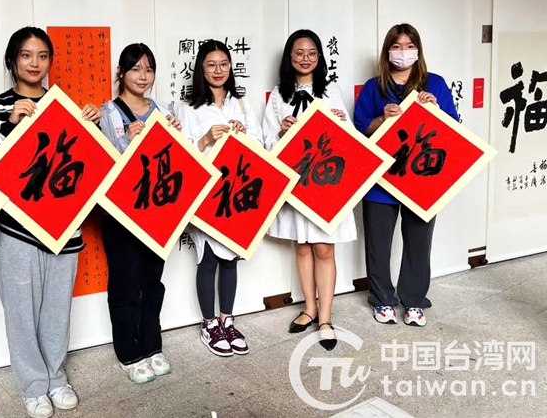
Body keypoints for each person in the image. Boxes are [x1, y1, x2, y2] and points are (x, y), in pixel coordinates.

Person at [0, 26, 101, 418]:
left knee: (57, 311)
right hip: (17, 232)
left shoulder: (64, 107)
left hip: (65, 230)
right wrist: (11, 126)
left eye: (42, 55)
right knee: (22, 314)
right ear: (13, 60)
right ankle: (33, 386)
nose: (34, 63)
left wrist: (92, 131)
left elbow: (87, 170)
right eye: (26, 55)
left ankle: (56, 378)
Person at [354, 23, 458, 327]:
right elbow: (359, 129)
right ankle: (381, 299)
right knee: (378, 245)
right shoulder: (373, 87)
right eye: (397, 46)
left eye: (410, 46)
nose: (403, 52)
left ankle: (414, 300)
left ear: (418, 50)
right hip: (381, 180)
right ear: (387, 51)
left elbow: (453, 129)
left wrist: (435, 109)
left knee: (418, 243)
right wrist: (381, 119)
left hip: (422, 179)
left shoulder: (434, 83)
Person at [262, 30, 356, 350]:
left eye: (312, 52)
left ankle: (326, 317)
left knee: (324, 249)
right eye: (299, 53)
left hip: (325, 184)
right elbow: (267, 142)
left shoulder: (331, 91)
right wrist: (281, 131)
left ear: (319, 57)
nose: (305, 58)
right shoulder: (279, 96)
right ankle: (309, 309)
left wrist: (341, 123)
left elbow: (350, 139)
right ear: (289, 57)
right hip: (295, 182)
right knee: (301, 247)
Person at [98, 43, 181, 383]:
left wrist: (176, 139)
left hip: (157, 211)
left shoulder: (163, 111)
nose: (142, 76)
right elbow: (102, 167)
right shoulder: (106, 113)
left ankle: (152, 343)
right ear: (121, 73)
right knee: (125, 281)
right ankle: (128, 350)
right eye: (135, 68)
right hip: (119, 214)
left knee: (151, 281)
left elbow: (175, 163)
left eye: (148, 69)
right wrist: (127, 144)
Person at [176, 39, 262, 357]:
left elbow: (260, 147)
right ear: (201, 69)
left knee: (230, 258)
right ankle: (209, 324)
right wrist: (205, 139)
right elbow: (182, 155)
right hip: (206, 194)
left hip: (237, 192)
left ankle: (227, 319)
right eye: (211, 64)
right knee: (208, 258)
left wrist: (244, 134)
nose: (218, 70)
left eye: (223, 64)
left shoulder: (241, 104)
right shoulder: (188, 108)